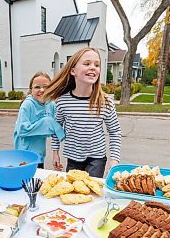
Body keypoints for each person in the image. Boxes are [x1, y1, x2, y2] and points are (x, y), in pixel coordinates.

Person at [43, 47, 122, 178]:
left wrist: (114, 159)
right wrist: (55, 152)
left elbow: (115, 131)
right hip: (73, 159)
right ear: (73, 71)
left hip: (97, 159)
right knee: (74, 194)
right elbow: (56, 129)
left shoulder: (105, 102)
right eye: (87, 63)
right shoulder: (63, 102)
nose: (93, 67)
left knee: (91, 193)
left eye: (97, 65)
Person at [13, 72, 65, 168]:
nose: (41, 90)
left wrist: (55, 154)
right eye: (37, 87)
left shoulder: (51, 105)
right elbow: (22, 130)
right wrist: (45, 123)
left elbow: (55, 130)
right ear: (31, 90)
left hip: (40, 156)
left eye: (45, 87)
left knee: (37, 182)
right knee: (26, 182)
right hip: (25, 157)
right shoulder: (27, 105)